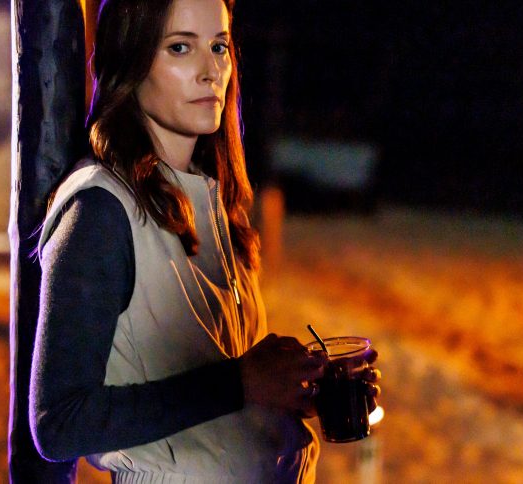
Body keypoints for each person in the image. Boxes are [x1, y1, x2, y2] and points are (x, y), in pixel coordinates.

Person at [28, 0, 381, 481]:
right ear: (131, 59)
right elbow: (59, 423)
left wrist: (293, 388)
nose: (210, 70)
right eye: (180, 48)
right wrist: (239, 383)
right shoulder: (101, 210)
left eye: (219, 47)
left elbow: (211, 396)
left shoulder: (209, 198)